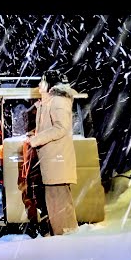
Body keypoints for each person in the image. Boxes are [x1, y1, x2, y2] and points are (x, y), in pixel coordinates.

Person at [25, 71, 79, 236]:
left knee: (59, 202)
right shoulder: (48, 102)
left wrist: (36, 140)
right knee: (53, 202)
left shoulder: (58, 101)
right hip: (52, 162)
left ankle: (66, 237)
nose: (39, 85)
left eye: (42, 81)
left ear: (51, 84)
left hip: (57, 160)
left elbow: (60, 128)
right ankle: (59, 235)